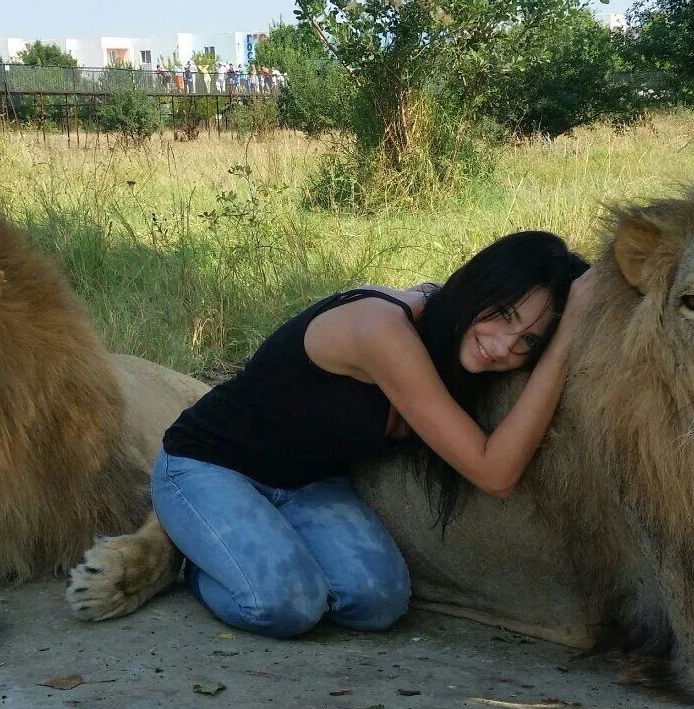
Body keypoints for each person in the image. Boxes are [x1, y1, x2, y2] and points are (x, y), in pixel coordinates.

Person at [152, 232, 595, 639]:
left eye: (529, 342)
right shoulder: (381, 331)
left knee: (378, 602)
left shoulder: (449, 338)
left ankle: (249, 551)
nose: (504, 346)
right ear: (479, 284)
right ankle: (194, 561)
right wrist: (568, 331)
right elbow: (494, 473)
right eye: (503, 314)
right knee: (286, 606)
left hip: (307, 485)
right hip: (208, 465)